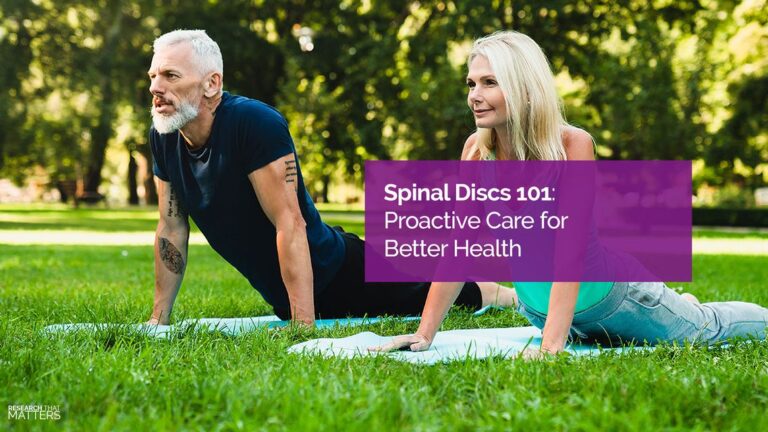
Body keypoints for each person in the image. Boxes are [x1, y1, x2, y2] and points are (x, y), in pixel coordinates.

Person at [373, 31, 768, 356]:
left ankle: (688, 306)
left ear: (525, 88)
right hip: (541, 311)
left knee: (705, 328)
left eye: (490, 82)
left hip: (616, 302)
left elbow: (570, 251)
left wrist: (550, 347)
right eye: (472, 83)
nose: (474, 95)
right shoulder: (476, 151)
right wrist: (424, 333)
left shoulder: (571, 145)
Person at [144, 29, 515, 327]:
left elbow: (290, 222)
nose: (155, 88)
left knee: (433, 291)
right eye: (153, 76)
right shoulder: (164, 137)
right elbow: (171, 228)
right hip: (288, 293)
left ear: (212, 84)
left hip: (338, 271)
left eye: (170, 75)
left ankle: (507, 296)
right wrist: (158, 321)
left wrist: (303, 325)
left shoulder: (253, 124)